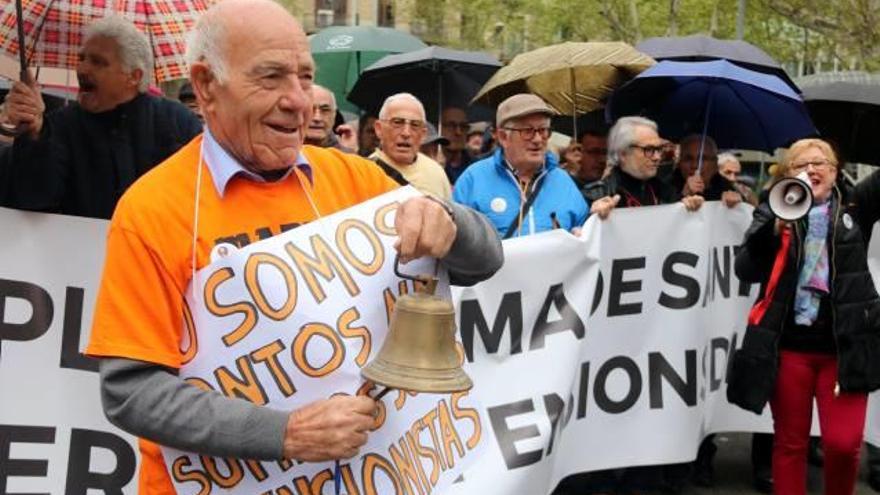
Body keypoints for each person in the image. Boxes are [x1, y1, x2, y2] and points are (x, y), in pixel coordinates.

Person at [84, 1, 504, 492]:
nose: (298, 101)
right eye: (271, 78)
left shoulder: (355, 179)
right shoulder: (152, 211)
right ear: (205, 86)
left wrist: (448, 222)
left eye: (304, 78)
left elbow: (486, 259)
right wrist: (285, 433)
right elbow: (131, 392)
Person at [727, 138, 880, 495]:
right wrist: (772, 231)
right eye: (800, 164)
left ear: (835, 171)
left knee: (843, 446)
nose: (811, 169)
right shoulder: (773, 209)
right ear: (786, 174)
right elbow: (745, 269)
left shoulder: (855, 205)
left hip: (844, 351)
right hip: (790, 350)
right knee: (790, 443)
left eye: (821, 163)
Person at [0, 16, 202, 219]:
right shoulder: (59, 126)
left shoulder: (177, 123)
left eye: (98, 62)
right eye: (82, 59)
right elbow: (32, 201)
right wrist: (33, 137)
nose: (82, 69)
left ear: (134, 76)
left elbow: (201, 199)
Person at [452, 93, 588, 238]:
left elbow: (584, 235)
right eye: (527, 131)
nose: (537, 139)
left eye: (543, 130)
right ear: (504, 137)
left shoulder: (563, 181)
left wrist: (592, 223)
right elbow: (456, 239)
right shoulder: (474, 179)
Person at [590, 117, 704, 220]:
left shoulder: (666, 192)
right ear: (623, 154)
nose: (657, 157)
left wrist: (687, 206)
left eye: (659, 149)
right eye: (648, 150)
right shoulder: (596, 196)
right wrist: (592, 218)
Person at [369, 93, 452, 200]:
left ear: (423, 134)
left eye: (415, 125)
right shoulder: (365, 171)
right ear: (379, 129)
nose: (406, 133)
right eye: (397, 122)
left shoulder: (436, 172)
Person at [670, 134, 740, 207]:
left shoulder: (726, 188)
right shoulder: (665, 189)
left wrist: (736, 205)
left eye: (703, 159)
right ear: (679, 163)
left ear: (715, 164)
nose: (695, 165)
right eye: (688, 159)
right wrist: (682, 196)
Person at [304, 84, 353, 152]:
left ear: (334, 115)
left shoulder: (348, 158)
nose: (317, 118)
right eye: (309, 109)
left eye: (325, 110)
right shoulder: (285, 155)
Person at [440, 106, 475, 184]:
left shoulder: (476, 167)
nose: (458, 132)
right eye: (451, 125)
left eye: (463, 126)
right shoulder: (427, 165)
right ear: (438, 127)